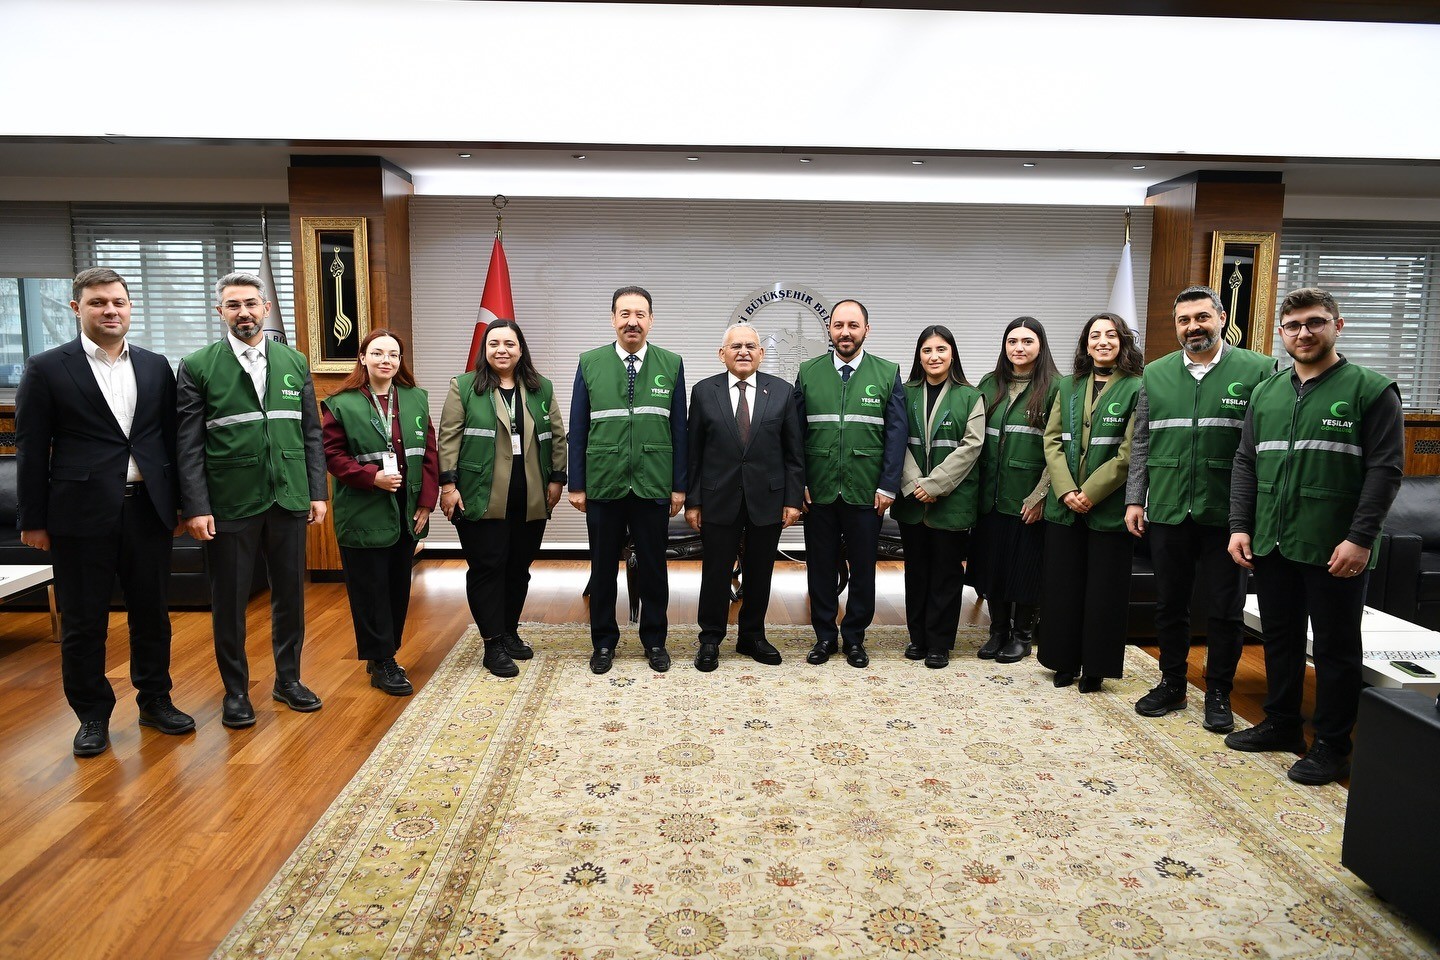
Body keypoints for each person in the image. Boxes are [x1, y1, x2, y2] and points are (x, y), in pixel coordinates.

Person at [1226, 287, 1404, 785]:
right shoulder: (1267, 391)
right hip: (1274, 541)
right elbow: (1245, 462)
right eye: (1294, 325)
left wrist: (1361, 538)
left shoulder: (1371, 389)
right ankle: (1282, 723)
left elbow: (1386, 470)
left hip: (1335, 547)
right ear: (1281, 333)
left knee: (1335, 648)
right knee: (1278, 639)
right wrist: (1241, 526)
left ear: (1337, 326)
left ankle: (1332, 745)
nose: (1304, 333)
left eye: (1315, 322)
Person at [14, 267, 194, 757]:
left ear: (130, 306)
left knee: (153, 615)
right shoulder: (47, 367)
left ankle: (156, 700)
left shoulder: (157, 366)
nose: (110, 310)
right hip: (78, 517)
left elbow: (171, 443)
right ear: (77, 309)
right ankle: (92, 715)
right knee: (84, 621)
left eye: (118, 301)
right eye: (98, 303)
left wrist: (181, 503)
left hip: (147, 512)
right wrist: (33, 519)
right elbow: (32, 449)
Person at [177, 271, 328, 728]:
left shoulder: (294, 362)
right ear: (219, 312)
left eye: (250, 303)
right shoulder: (198, 365)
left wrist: (317, 493)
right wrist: (197, 506)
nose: (244, 312)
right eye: (233, 305)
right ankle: (236, 692)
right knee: (230, 601)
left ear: (265, 308)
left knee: (289, 597)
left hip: (288, 498)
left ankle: (289, 679)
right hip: (230, 503)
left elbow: (311, 434)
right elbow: (187, 444)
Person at [1124, 286, 1277, 733]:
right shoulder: (1154, 373)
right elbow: (1142, 442)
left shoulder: (1259, 369)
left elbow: (1261, 447)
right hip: (1169, 507)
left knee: (1225, 609)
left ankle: (1218, 692)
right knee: (1170, 604)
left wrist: (1251, 514)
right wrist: (1136, 497)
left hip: (1228, 515)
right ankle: (1171, 683)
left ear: (1222, 317)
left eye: (1202, 317)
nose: (1193, 326)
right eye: (1184, 319)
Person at [568, 286, 687, 675]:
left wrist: (679, 484)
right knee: (602, 568)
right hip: (604, 483)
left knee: (654, 567)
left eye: (640, 314)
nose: (632, 321)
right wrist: (577, 483)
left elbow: (679, 430)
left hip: (653, 483)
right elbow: (579, 427)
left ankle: (654, 641)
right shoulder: (590, 362)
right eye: (624, 314)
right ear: (613, 319)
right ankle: (603, 642)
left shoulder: (671, 363)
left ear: (651, 320)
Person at [439, 319, 567, 678]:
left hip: (530, 496)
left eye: (509, 344)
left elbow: (557, 436)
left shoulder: (541, 388)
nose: (502, 350)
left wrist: (558, 479)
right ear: (485, 350)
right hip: (479, 495)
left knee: (518, 569)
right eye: (494, 343)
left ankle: (509, 631)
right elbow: (448, 438)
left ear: (520, 349)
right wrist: (448, 486)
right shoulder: (464, 387)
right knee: (487, 568)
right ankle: (492, 644)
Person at [322, 329, 439, 697]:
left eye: (393, 354)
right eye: (377, 353)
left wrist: (426, 502)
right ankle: (383, 660)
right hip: (363, 508)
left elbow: (431, 452)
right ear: (362, 358)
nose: (385, 360)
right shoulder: (339, 403)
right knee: (369, 588)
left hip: (407, 509)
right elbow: (332, 456)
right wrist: (371, 478)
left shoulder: (415, 398)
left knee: (396, 588)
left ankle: (384, 653)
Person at [684, 322, 804, 671]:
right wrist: (694, 501)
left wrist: (793, 500)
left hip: (767, 499)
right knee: (715, 572)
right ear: (722, 354)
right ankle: (710, 639)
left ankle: (752, 635)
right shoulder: (704, 391)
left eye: (751, 346)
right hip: (717, 498)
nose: (743, 352)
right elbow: (695, 452)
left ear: (761, 354)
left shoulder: (781, 392)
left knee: (761, 571)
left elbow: (794, 453)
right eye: (735, 346)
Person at [793, 298, 907, 668]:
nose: (845, 332)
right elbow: (794, 435)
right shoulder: (808, 371)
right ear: (829, 329)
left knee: (863, 569)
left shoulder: (887, 373)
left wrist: (888, 485)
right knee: (819, 568)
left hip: (866, 491)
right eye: (839, 325)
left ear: (866, 331)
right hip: (819, 491)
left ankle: (855, 637)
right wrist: (800, 483)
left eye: (853, 326)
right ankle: (824, 636)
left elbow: (897, 434)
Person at [1038, 312, 1144, 692]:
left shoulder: (1137, 386)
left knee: (1105, 591)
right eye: (1095, 335)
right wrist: (1066, 490)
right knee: (1062, 587)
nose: (1102, 341)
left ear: (1122, 341)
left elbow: (1131, 451)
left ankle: (1096, 667)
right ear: (1085, 343)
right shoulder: (1067, 385)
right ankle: (1062, 661)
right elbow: (1051, 440)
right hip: (1063, 507)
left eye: (1110, 335)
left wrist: (1091, 493)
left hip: (1109, 509)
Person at [891, 325, 985, 668]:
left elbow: (972, 446)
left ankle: (939, 643)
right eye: (927, 350)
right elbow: (895, 440)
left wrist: (935, 485)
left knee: (946, 574)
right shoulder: (903, 392)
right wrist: (916, 482)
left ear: (952, 354)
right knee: (915, 572)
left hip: (952, 500)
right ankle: (917, 638)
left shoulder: (970, 395)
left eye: (941, 350)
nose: (934, 356)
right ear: (919, 355)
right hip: (912, 499)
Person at [969, 317, 1060, 664]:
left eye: (1027, 341)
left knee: (1024, 568)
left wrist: (1039, 496)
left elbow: (1059, 449)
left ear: (1040, 346)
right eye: (1012, 341)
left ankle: (1022, 636)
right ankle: (998, 632)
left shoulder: (1056, 387)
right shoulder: (989, 383)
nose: (1018, 348)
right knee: (994, 567)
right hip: (989, 495)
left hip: (1027, 497)